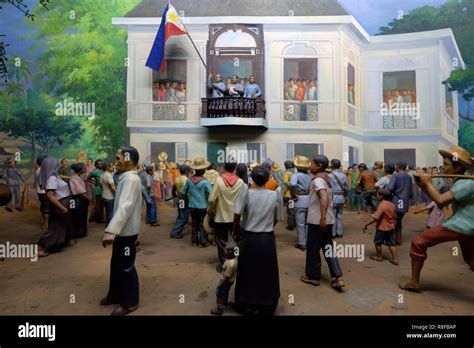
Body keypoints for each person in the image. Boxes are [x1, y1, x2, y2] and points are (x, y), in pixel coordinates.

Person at [399, 145, 474, 293]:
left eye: (446, 164)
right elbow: (436, 198)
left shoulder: (468, 183)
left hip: (463, 224)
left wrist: (427, 183)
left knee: (418, 242)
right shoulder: (461, 181)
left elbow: (440, 201)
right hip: (467, 225)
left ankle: (414, 282)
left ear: (458, 168)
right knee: (471, 260)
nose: (443, 167)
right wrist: (422, 184)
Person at [233, 166, 282, 315]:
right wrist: (267, 226)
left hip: (249, 238)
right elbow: (277, 219)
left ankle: (245, 303)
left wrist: (237, 230)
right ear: (268, 179)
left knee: (247, 270)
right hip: (267, 238)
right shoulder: (275, 195)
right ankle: (267, 304)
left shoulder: (246, 193)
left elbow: (237, 214)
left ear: (252, 179)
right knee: (268, 270)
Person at [100, 146, 142, 316]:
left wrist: (111, 231)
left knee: (126, 266)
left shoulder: (131, 180)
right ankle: (115, 294)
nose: (115, 161)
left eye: (118, 158)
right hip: (121, 230)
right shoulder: (126, 177)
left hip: (127, 231)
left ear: (128, 160)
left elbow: (125, 206)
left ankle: (130, 302)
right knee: (116, 264)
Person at [301, 155, 345, 290]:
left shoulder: (318, 180)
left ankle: (313, 277)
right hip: (328, 220)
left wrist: (323, 218)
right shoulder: (327, 178)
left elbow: (324, 197)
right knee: (328, 248)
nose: (309, 166)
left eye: (312, 163)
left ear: (319, 165)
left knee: (313, 249)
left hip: (318, 221)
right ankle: (337, 277)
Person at [208, 161, 244, 271]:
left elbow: (212, 199)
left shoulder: (219, 180)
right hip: (236, 217)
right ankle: (237, 264)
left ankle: (224, 265)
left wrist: (210, 212)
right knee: (237, 240)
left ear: (224, 167)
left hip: (221, 217)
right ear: (235, 168)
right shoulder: (240, 182)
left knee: (222, 242)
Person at [37, 157, 76, 257]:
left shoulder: (54, 177)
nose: (58, 165)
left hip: (64, 201)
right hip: (60, 202)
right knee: (56, 226)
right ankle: (43, 246)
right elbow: (50, 195)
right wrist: (61, 207)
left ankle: (65, 241)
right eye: (56, 164)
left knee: (65, 224)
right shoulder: (51, 179)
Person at [181, 158, 213, 247]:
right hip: (203, 207)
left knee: (194, 224)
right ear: (203, 170)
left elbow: (183, 192)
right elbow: (211, 194)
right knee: (202, 224)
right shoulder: (205, 182)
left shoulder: (189, 180)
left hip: (192, 206)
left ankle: (194, 241)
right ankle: (203, 242)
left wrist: (186, 201)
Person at [363, 188, 398, 265]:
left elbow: (375, 218)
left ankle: (379, 256)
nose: (376, 196)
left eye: (377, 195)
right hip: (391, 227)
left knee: (378, 243)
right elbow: (395, 216)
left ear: (381, 196)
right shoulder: (392, 204)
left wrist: (366, 224)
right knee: (391, 244)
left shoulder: (382, 205)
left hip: (382, 228)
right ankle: (394, 259)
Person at [387, 161, 413, 245]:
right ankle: (398, 239)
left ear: (397, 167)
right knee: (399, 221)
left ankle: (392, 240)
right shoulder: (409, 177)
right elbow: (411, 192)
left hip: (396, 201)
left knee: (393, 221)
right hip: (405, 202)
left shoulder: (395, 175)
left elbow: (389, 189)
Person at [290, 156, 312, 251]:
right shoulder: (310, 176)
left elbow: (293, 185)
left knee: (300, 223)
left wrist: (293, 195)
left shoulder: (296, 175)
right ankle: (307, 241)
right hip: (309, 199)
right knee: (307, 223)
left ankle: (301, 243)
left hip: (299, 200)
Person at [211, 240, 238, 315]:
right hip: (231, 280)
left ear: (231, 253)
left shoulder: (230, 264)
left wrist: (220, 284)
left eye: (226, 250)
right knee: (225, 291)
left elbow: (227, 276)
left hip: (226, 281)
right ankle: (225, 303)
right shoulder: (235, 259)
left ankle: (219, 309)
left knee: (219, 293)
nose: (225, 251)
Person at [69, 162, 90, 238]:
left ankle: (79, 231)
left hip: (78, 199)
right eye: (84, 168)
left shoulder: (77, 177)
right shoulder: (75, 178)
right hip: (79, 200)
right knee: (79, 216)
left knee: (79, 216)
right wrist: (89, 199)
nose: (85, 169)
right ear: (80, 169)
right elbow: (81, 193)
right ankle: (78, 232)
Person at [170, 164, 191, 239]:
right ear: (186, 171)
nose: (189, 173)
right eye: (189, 171)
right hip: (184, 200)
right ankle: (175, 232)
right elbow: (185, 191)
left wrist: (175, 196)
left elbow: (173, 190)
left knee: (180, 214)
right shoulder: (186, 180)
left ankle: (176, 229)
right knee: (184, 217)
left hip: (179, 199)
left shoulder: (177, 178)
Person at [329, 159, 348, 238]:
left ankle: (333, 233)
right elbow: (346, 187)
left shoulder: (329, 175)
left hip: (333, 197)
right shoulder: (344, 175)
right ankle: (339, 232)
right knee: (340, 215)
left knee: (332, 215)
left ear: (332, 165)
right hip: (341, 197)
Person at [34, 155, 50, 229]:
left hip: (41, 192)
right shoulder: (42, 171)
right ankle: (46, 224)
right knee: (46, 207)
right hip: (44, 192)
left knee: (44, 206)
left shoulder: (39, 170)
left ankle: (46, 223)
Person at [88, 159, 105, 223]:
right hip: (98, 190)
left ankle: (97, 218)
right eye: (100, 164)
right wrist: (94, 182)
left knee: (101, 205)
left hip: (104, 189)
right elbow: (88, 178)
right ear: (96, 165)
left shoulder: (103, 170)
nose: (101, 165)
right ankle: (99, 219)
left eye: (102, 163)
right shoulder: (94, 171)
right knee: (98, 205)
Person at [101, 160, 116, 227]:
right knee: (110, 213)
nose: (113, 167)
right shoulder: (109, 176)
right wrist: (119, 193)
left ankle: (107, 225)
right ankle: (110, 227)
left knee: (107, 212)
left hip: (104, 196)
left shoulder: (102, 175)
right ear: (107, 167)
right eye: (112, 166)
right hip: (110, 197)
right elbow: (113, 188)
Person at [283, 160, 296, 231]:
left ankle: (291, 225)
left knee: (290, 210)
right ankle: (295, 223)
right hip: (297, 194)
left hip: (289, 194)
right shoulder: (296, 172)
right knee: (295, 209)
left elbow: (285, 182)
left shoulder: (287, 173)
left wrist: (291, 185)